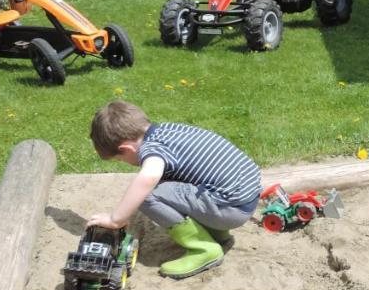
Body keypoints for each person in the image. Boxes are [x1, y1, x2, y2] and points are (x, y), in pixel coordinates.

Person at [86, 101, 262, 279]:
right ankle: (217, 233)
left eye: (120, 159)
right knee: (167, 185)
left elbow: (148, 178)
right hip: (245, 195)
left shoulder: (151, 149)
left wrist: (116, 219)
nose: (126, 163)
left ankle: (203, 248)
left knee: (147, 194)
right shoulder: (167, 130)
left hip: (230, 209)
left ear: (126, 148)